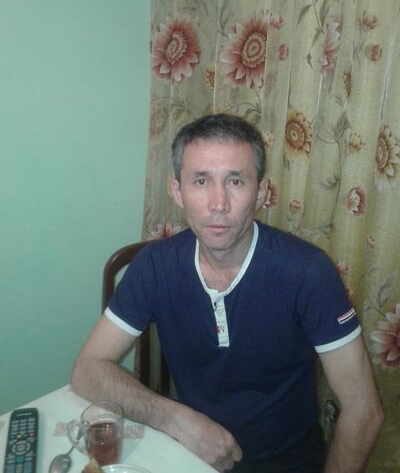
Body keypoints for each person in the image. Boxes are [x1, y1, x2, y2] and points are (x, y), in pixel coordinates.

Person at [71, 114, 383, 472]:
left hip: (286, 460)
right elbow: (87, 369)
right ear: (177, 191)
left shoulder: (308, 273)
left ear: (261, 192)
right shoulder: (154, 266)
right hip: (188, 452)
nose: (218, 203)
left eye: (235, 181)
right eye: (201, 181)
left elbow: (364, 412)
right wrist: (174, 418)